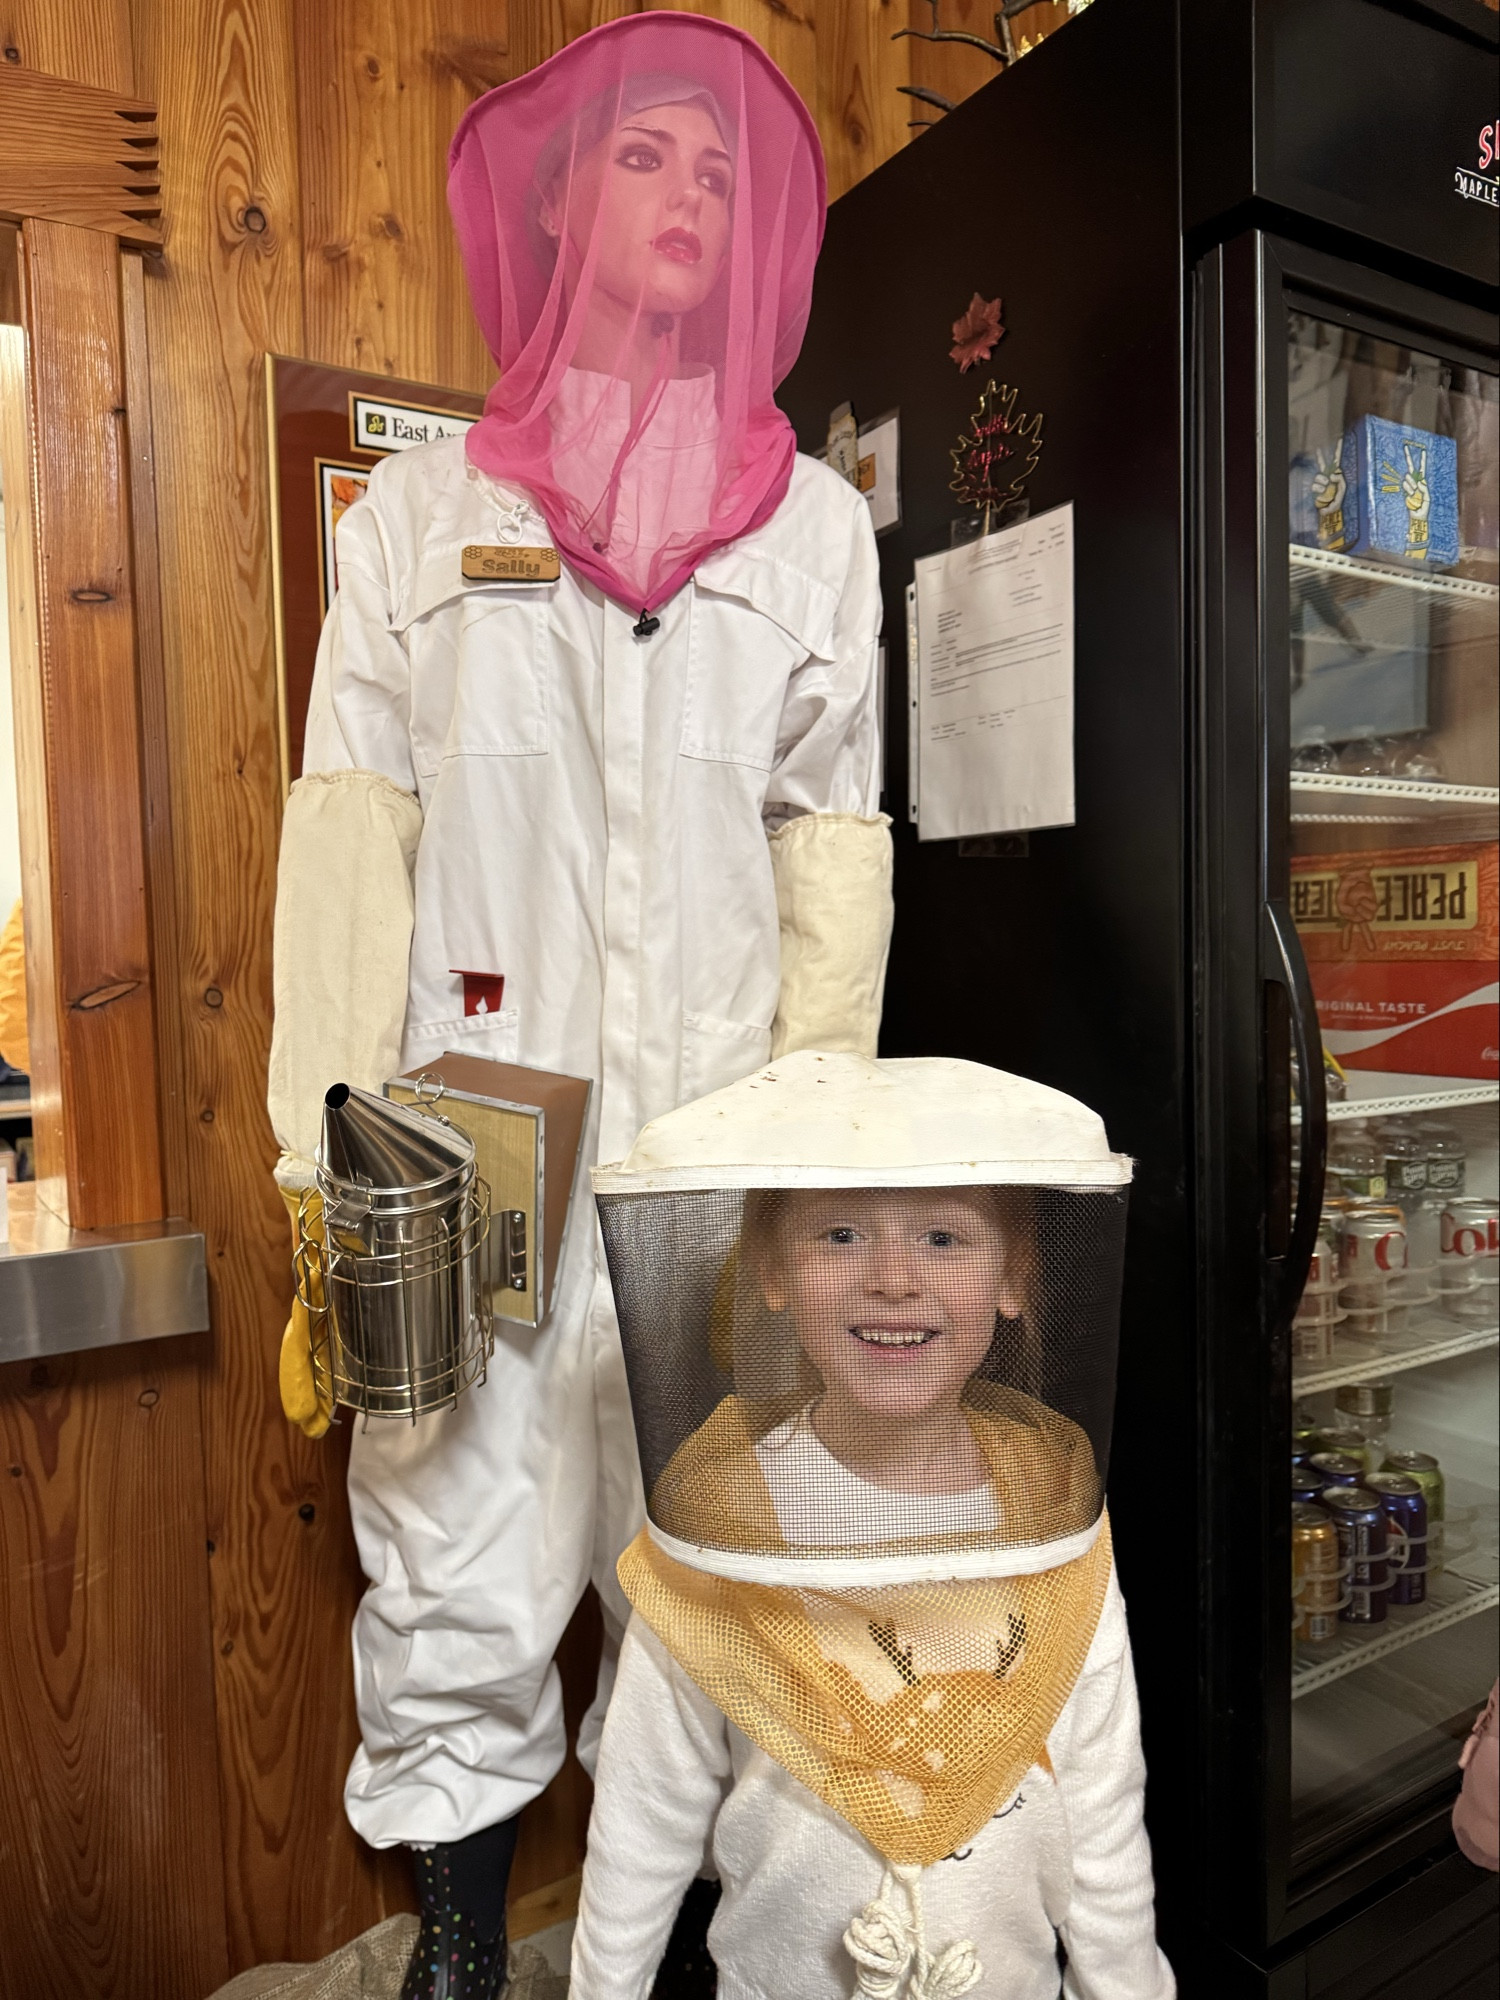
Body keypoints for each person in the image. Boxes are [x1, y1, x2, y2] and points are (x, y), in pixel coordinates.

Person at [266, 15, 891, 1997]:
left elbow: (831, 869)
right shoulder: (414, 519)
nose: (691, 193)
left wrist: (823, 1171)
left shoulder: (812, 534)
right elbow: (350, 847)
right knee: (451, 1545)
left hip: (718, 1159)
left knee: (714, 1567)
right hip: (465, 1142)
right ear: (553, 203)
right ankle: (462, 1949)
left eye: (720, 168)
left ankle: (678, 1950)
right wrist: (319, 1161)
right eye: (646, 154)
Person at [574, 1051, 1175, 2000]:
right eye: (842, 1234)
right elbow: (644, 1814)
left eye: (943, 1237)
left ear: (1015, 1275)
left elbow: (1101, 1808)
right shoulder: (725, 1520)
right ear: (772, 1272)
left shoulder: (1047, 1508)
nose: (894, 1280)